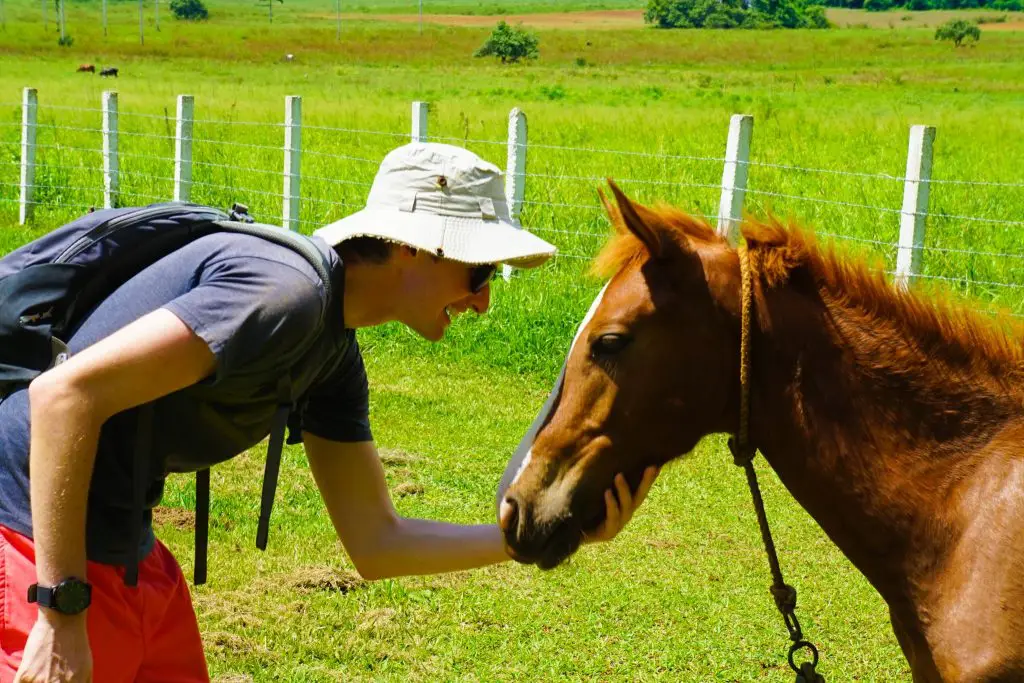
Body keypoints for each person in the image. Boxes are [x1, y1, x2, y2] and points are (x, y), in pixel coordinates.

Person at [0, 142, 659, 682]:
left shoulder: (331, 354)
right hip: (34, 545)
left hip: (124, 550)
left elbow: (377, 541)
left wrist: (541, 534)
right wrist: (60, 609)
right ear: (416, 247)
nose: (482, 301)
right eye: (478, 272)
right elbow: (63, 397)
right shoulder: (285, 293)